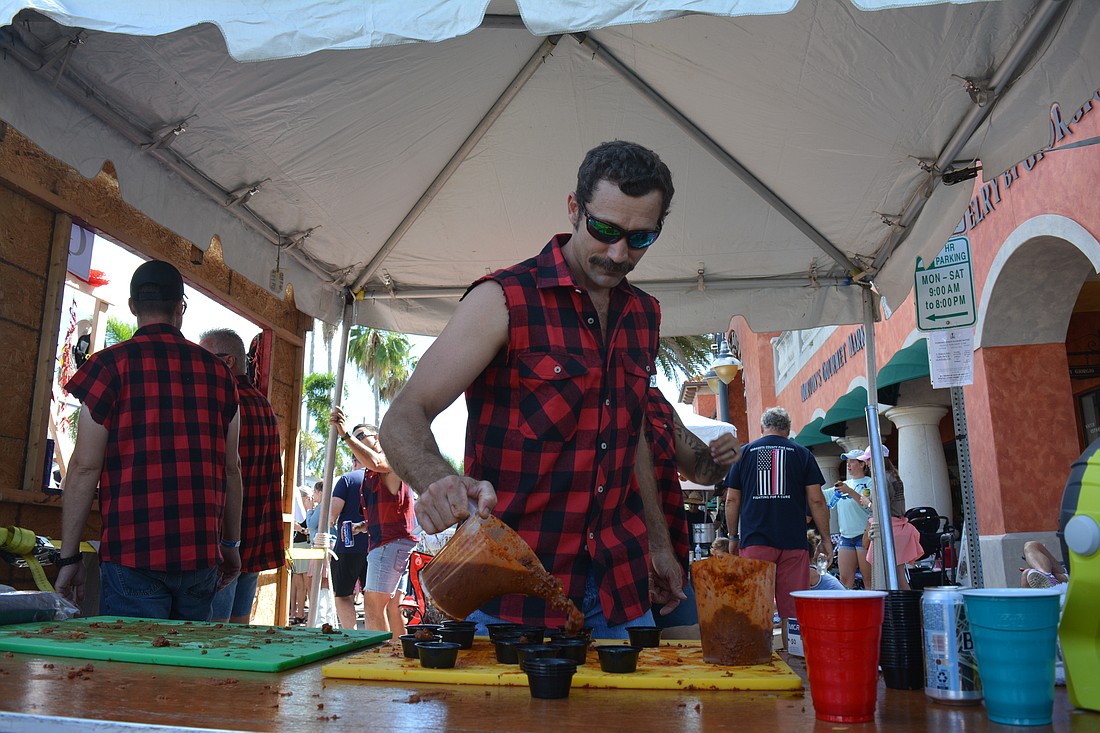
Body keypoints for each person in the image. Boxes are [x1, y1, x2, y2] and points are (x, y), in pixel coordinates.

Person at [382, 141, 732, 636]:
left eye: (639, 238)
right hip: (509, 591)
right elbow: (404, 413)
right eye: (605, 230)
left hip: (620, 589)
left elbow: (627, 433)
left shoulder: (643, 315)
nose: (617, 253)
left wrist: (657, 541)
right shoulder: (504, 300)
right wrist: (439, 480)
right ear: (574, 208)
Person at [55, 260, 243, 620]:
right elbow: (231, 469)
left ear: (132, 307)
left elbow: (83, 468)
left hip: (132, 553)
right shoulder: (220, 374)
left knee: (133, 673)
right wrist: (230, 544)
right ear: (180, 309)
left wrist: (69, 558)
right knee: (188, 669)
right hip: (199, 554)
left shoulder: (108, 367)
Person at [723, 406, 833, 649]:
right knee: (792, 611)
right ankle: (794, 662)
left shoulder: (742, 454)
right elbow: (817, 500)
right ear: (788, 429)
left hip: (755, 542)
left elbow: (731, 500)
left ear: (762, 428)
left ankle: (758, 660)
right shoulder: (802, 454)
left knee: (756, 606)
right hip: (793, 542)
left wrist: (732, 536)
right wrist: (826, 539)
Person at [202, 328, 284, 625]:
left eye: (206, 358)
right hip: (254, 539)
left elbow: (227, 471)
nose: (200, 365)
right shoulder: (263, 405)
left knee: (214, 636)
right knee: (238, 629)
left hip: (227, 543)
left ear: (229, 361)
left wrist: (228, 541)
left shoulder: (227, 402)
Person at [642, 387, 739, 638]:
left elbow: (702, 470)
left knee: (696, 643)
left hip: (667, 571)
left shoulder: (655, 401)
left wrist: (720, 458)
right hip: (610, 568)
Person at [331, 410, 418, 639]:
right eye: (356, 437)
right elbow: (391, 509)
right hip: (397, 542)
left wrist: (346, 435)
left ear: (377, 438)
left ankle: (381, 659)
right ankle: (400, 655)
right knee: (392, 606)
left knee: (372, 606)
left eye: (362, 436)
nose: (357, 441)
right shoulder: (371, 472)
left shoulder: (389, 458)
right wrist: (363, 526)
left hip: (389, 544)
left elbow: (378, 461)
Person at [861, 446, 924, 590]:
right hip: (899, 527)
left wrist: (867, 502)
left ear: (877, 459)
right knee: (899, 576)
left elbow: (880, 508)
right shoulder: (893, 476)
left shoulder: (882, 478)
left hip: (888, 529)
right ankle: (906, 609)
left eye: (869, 459)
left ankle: (889, 610)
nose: (868, 463)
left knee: (881, 575)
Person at [329, 440, 371, 631]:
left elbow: (332, 513)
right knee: (372, 598)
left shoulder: (347, 479)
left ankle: (351, 634)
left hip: (348, 547)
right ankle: (375, 636)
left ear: (354, 461)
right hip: (375, 546)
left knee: (343, 595)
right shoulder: (381, 479)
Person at [821, 449, 873, 589]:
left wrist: (849, 491)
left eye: (852, 462)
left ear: (862, 464)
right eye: (847, 462)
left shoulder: (869, 482)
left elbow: (870, 507)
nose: (848, 465)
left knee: (869, 579)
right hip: (846, 537)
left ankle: (874, 610)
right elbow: (821, 496)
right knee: (844, 580)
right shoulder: (842, 484)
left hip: (864, 536)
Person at [289, 486, 312, 624]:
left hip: (305, 546)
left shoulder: (308, 512)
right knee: (299, 582)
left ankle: (301, 612)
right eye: (307, 497)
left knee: (305, 581)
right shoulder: (299, 510)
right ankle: (298, 612)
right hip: (298, 545)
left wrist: (302, 530)